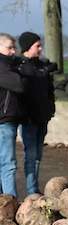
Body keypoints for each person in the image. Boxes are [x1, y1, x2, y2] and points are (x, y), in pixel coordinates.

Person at [18, 32, 57, 195]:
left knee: (38, 155)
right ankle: (32, 189)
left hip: (43, 118)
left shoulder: (42, 67)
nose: (40, 49)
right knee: (31, 155)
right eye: (37, 46)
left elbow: (49, 91)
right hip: (28, 119)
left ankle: (34, 187)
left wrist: (50, 109)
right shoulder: (20, 67)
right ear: (28, 47)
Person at [0, 33, 26, 197]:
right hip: (4, 120)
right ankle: (11, 201)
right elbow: (19, 85)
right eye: (9, 47)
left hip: (6, 119)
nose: (13, 51)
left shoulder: (9, 65)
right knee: (8, 164)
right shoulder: (3, 67)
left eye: (14, 48)